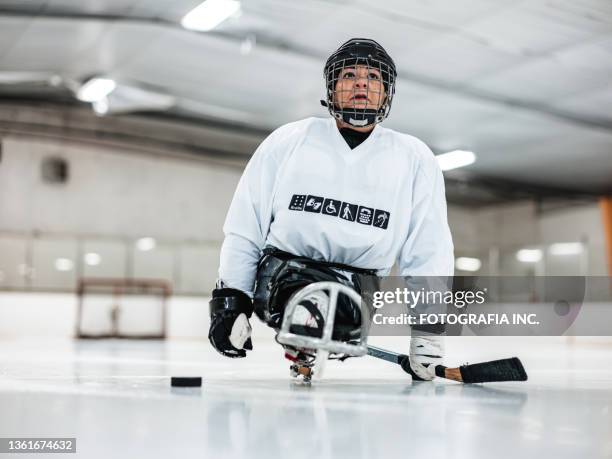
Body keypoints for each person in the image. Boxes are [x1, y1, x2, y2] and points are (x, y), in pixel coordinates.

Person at [208, 38, 454, 381]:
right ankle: (306, 333)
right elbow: (245, 225)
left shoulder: (414, 158)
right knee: (304, 300)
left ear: (387, 93)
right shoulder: (289, 140)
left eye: (373, 78)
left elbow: (429, 249)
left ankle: (313, 333)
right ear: (332, 87)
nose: (361, 84)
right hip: (282, 278)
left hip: (358, 289)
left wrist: (428, 333)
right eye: (349, 75)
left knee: (337, 311)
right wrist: (231, 301)